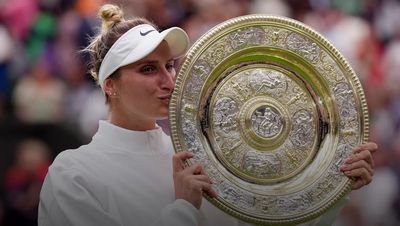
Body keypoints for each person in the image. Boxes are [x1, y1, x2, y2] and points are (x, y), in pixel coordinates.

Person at [38, 4, 378, 226]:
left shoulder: (194, 156)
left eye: (169, 66)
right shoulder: (73, 173)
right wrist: (184, 209)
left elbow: (267, 221)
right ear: (110, 85)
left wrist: (336, 186)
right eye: (147, 69)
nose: (168, 80)